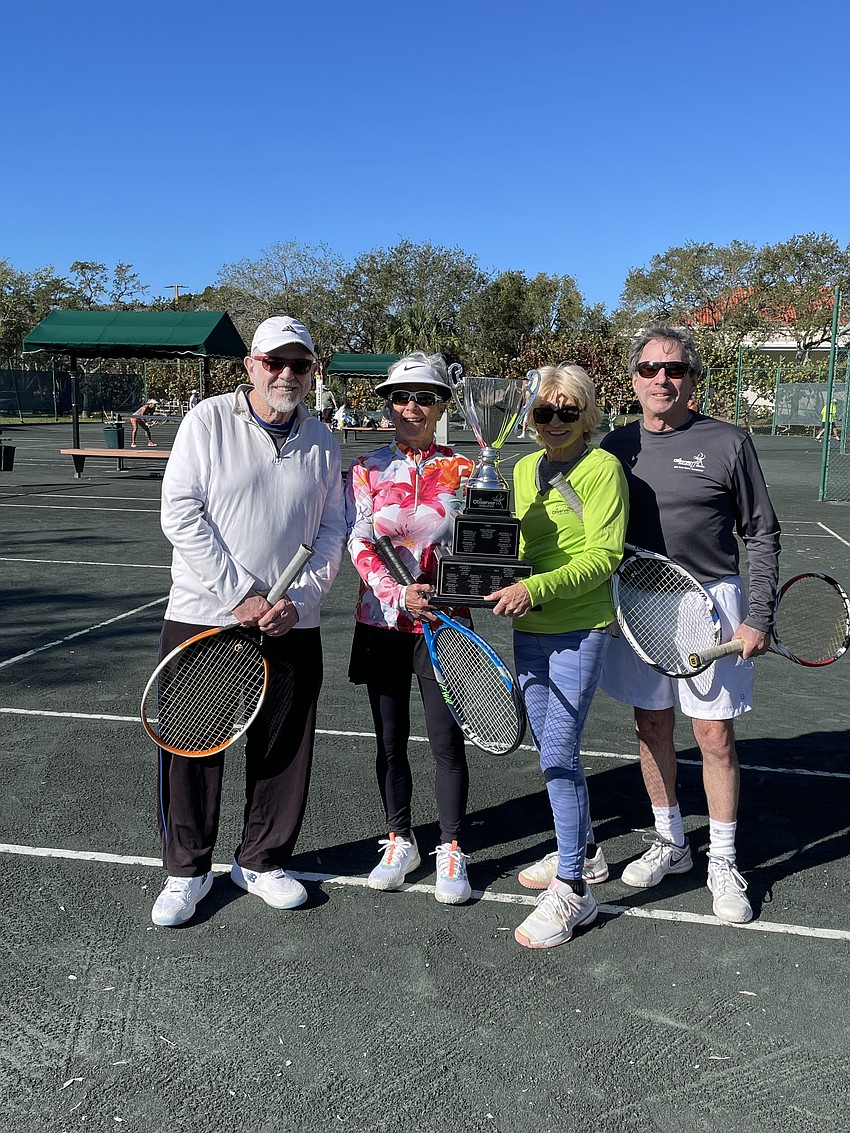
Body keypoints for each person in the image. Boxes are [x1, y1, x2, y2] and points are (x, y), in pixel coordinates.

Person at [151, 315, 347, 928]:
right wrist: (240, 596)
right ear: (251, 365)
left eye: (300, 365)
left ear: (312, 371)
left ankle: (261, 860)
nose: (287, 374)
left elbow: (333, 528)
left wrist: (302, 598)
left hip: (291, 622)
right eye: (274, 362)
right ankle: (187, 870)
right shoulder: (207, 420)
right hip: (207, 618)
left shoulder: (322, 438)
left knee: (283, 748)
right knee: (193, 747)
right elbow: (181, 514)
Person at [598, 323, 781, 924]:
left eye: (674, 369)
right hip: (638, 603)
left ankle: (723, 860)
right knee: (650, 726)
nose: (661, 379)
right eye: (650, 369)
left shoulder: (728, 441)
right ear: (634, 380)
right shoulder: (614, 446)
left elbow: (760, 531)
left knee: (713, 736)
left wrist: (757, 614)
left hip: (713, 604)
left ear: (692, 379)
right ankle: (671, 841)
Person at [485, 365, 628, 948]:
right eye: (543, 412)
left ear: (587, 416)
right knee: (549, 746)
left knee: (561, 750)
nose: (553, 422)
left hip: (577, 625)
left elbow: (604, 557)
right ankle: (586, 852)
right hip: (529, 626)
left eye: (567, 411)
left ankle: (574, 890)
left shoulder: (602, 469)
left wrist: (534, 589)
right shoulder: (520, 469)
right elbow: (515, 546)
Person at [345, 352, 476, 904]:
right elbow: (358, 539)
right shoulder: (366, 468)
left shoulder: (467, 470)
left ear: (442, 404)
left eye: (424, 396)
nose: (412, 406)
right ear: (389, 405)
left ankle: (451, 846)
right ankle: (400, 837)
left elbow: (477, 550)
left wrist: (441, 597)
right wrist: (400, 594)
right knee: (390, 740)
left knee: (447, 742)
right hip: (382, 621)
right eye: (401, 397)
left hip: (445, 625)